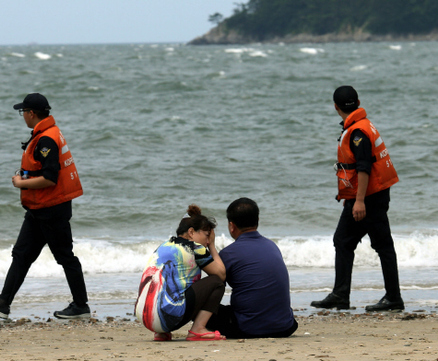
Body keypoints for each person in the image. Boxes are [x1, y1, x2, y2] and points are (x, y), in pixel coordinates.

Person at [0, 93, 90, 319]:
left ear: (32, 113)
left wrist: (21, 182)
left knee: (65, 257)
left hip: (51, 208)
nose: (22, 116)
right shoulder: (48, 133)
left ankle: (81, 305)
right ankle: (3, 302)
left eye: (23, 112)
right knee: (22, 254)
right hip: (40, 208)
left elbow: (50, 178)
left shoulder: (46, 139)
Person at [311, 85, 403, 312]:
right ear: (358, 101)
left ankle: (390, 298)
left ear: (336, 107)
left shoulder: (357, 132)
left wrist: (359, 200)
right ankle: (344, 295)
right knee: (348, 241)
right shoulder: (363, 125)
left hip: (368, 197)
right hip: (373, 194)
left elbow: (363, 168)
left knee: (370, 244)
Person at [206, 198, 298, 339]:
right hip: (285, 327)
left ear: (231, 226)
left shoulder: (228, 254)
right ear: (257, 220)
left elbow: (212, 292)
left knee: (200, 307)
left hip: (248, 328)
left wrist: (210, 247)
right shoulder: (272, 246)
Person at [135, 205, 227, 341]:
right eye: (207, 235)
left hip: (144, 316)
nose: (207, 241)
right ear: (191, 232)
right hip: (168, 317)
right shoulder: (195, 248)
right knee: (217, 283)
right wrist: (212, 246)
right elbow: (221, 274)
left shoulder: (164, 245)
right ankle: (198, 329)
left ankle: (161, 333)